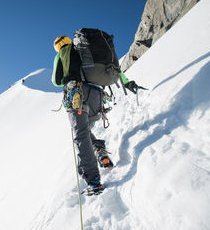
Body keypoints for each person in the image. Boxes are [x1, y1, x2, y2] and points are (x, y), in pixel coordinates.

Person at [51, 34, 146, 195]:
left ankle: (93, 180)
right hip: (97, 97)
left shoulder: (63, 53)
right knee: (85, 131)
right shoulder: (87, 52)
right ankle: (99, 150)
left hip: (77, 96)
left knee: (81, 134)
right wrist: (127, 82)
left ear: (58, 46)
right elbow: (116, 71)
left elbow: (57, 80)